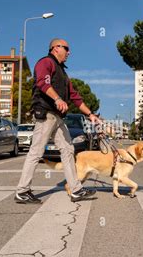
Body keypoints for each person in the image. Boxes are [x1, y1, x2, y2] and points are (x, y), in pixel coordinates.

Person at [15, 38, 101, 204]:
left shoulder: (62, 72)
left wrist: (90, 114)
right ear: (55, 48)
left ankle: (75, 190)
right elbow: (42, 82)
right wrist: (57, 99)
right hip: (47, 113)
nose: (69, 52)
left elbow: (75, 96)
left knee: (68, 150)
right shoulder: (46, 62)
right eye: (66, 48)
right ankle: (22, 191)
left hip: (58, 117)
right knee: (36, 152)